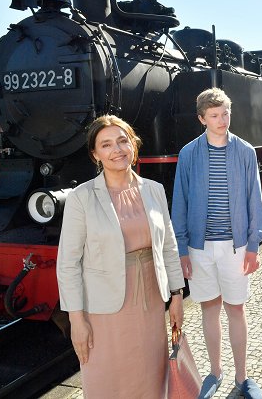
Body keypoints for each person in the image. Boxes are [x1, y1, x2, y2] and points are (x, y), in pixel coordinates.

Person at [57, 115, 185, 398]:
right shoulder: (82, 197)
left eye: (122, 140)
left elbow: (169, 246)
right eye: (106, 144)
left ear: (133, 144)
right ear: (95, 154)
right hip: (104, 308)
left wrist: (177, 295)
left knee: (151, 375)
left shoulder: (154, 190)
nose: (117, 149)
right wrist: (77, 321)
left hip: (150, 301)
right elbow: (68, 263)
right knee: (108, 377)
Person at [171, 87, 262, 399]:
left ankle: (242, 377)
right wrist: (182, 250)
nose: (222, 119)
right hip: (199, 249)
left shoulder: (246, 152)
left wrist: (254, 245)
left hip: (236, 247)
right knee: (209, 309)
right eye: (214, 115)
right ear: (202, 119)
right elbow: (180, 204)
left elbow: (255, 199)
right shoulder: (188, 154)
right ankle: (215, 372)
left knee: (236, 310)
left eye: (225, 113)